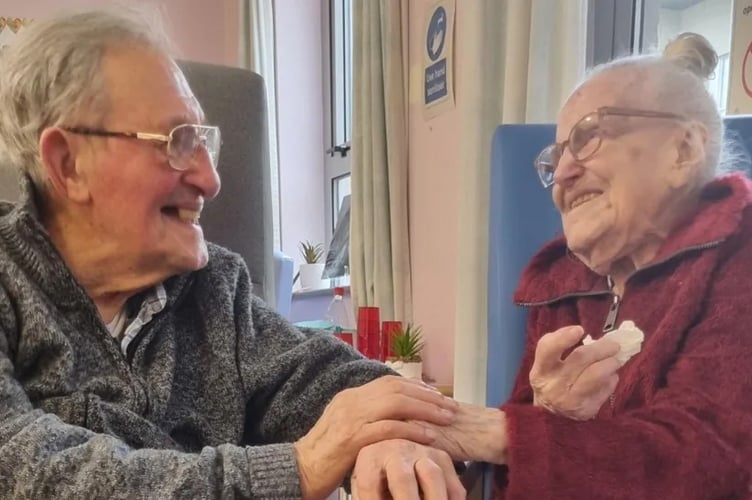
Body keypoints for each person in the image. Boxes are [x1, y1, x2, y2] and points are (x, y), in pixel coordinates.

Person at [0, 8, 467, 499]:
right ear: (69, 164)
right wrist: (298, 469)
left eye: (204, 143)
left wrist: (391, 437)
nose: (211, 180)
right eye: (178, 142)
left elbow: (327, 379)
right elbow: (21, 467)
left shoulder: (217, 287)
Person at [414, 32, 752, 499]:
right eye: (556, 158)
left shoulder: (740, 254)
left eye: (589, 137)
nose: (562, 177)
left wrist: (507, 434)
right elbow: (515, 468)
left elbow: (710, 461)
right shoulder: (559, 285)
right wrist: (542, 415)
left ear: (683, 151)